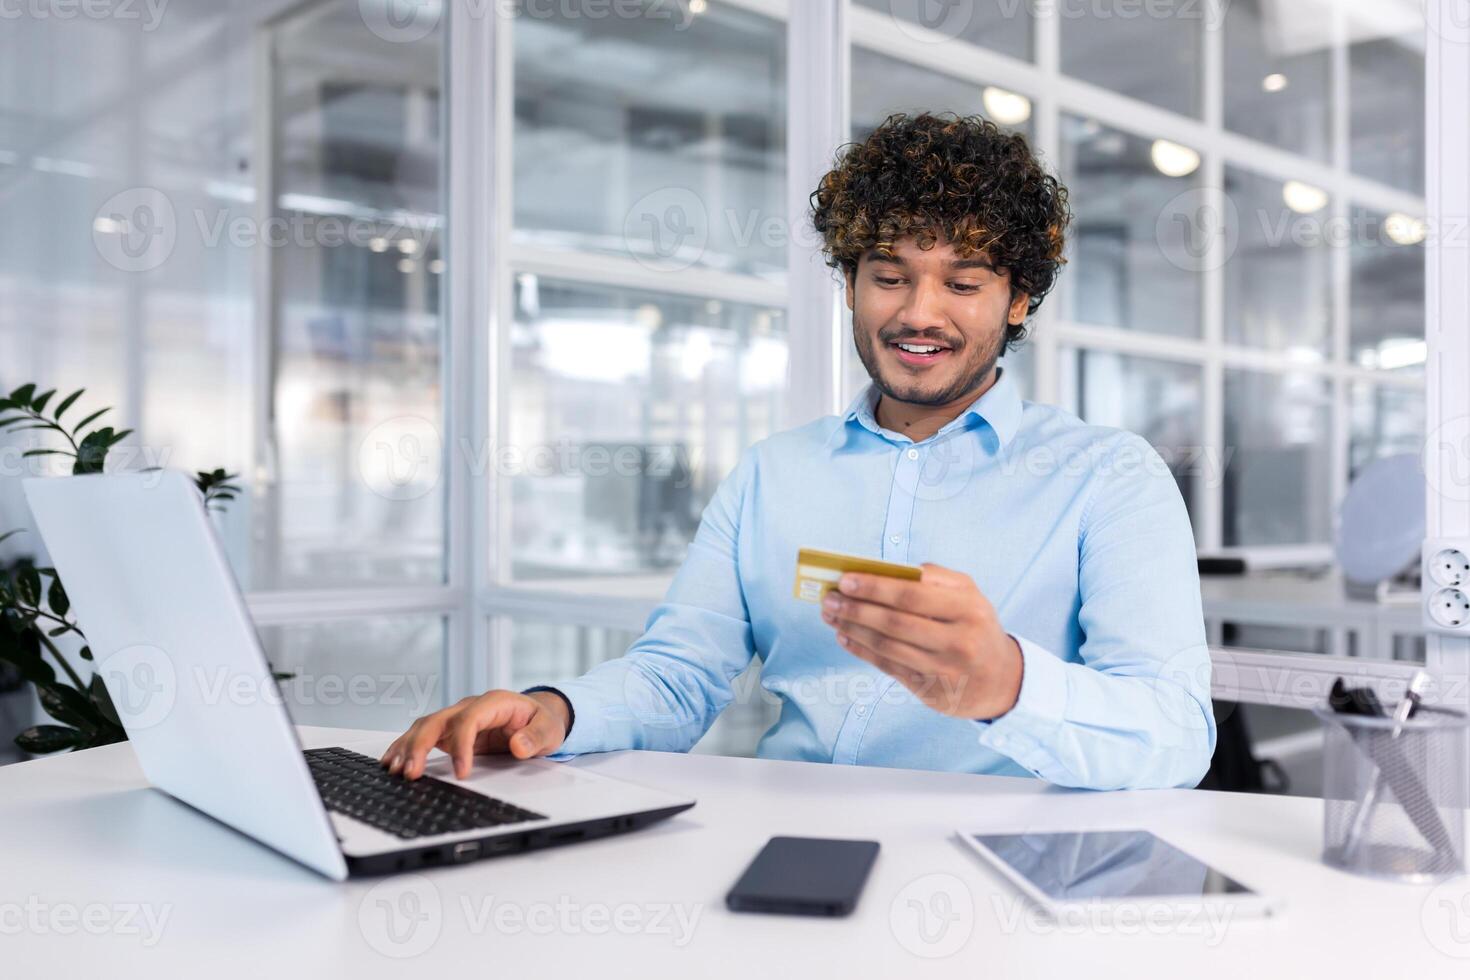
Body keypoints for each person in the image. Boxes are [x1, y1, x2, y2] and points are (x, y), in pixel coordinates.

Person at [381, 112, 1216, 791]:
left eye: (964, 284)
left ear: (1019, 300)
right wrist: (551, 713)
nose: (920, 313)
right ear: (850, 283)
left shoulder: (1108, 478)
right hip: (782, 845)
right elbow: (680, 676)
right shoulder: (773, 474)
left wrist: (1006, 684)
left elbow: (1175, 736)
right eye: (889, 275)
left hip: (1000, 867)